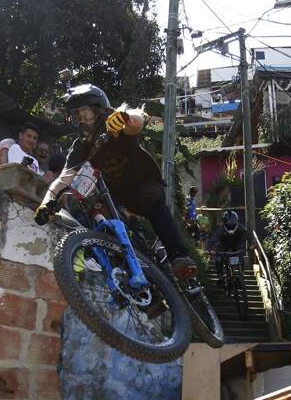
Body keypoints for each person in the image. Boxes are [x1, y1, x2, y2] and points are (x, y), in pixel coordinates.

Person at [34, 84, 197, 279]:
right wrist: (46, 203)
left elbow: (137, 122)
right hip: (118, 199)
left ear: (99, 109)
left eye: (84, 113)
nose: (80, 120)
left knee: (149, 198)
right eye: (76, 115)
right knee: (106, 224)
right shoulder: (80, 147)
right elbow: (63, 179)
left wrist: (125, 117)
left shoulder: (115, 124)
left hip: (144, 184)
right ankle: (137, 281)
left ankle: (178, 255)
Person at [209, 210, 247, 289]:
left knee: (240, 258)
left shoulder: (239, 227)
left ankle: (240, 275)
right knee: (218, 260)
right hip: (223, 247)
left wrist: (252, 244)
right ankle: (220, 278)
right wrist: (210, 249)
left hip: (235, 247)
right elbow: (213, 238)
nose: (230, 225)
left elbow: (247, 235)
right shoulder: (221, 228)